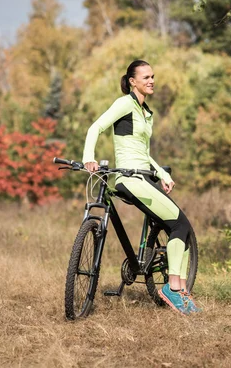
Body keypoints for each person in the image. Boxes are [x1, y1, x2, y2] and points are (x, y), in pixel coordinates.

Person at [82, 60, 199, 315]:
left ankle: (172, 285)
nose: (151, 80)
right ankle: (174, 289)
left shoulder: (146, 112)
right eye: (145, 77)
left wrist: (161, 174)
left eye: (153, 76)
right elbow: (96, 127)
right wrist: (88, 157)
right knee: (181, 225)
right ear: (132, 81)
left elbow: (144, 153)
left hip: (144, 176)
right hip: (131, 179)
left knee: (176, 225)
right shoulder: (124, 103)